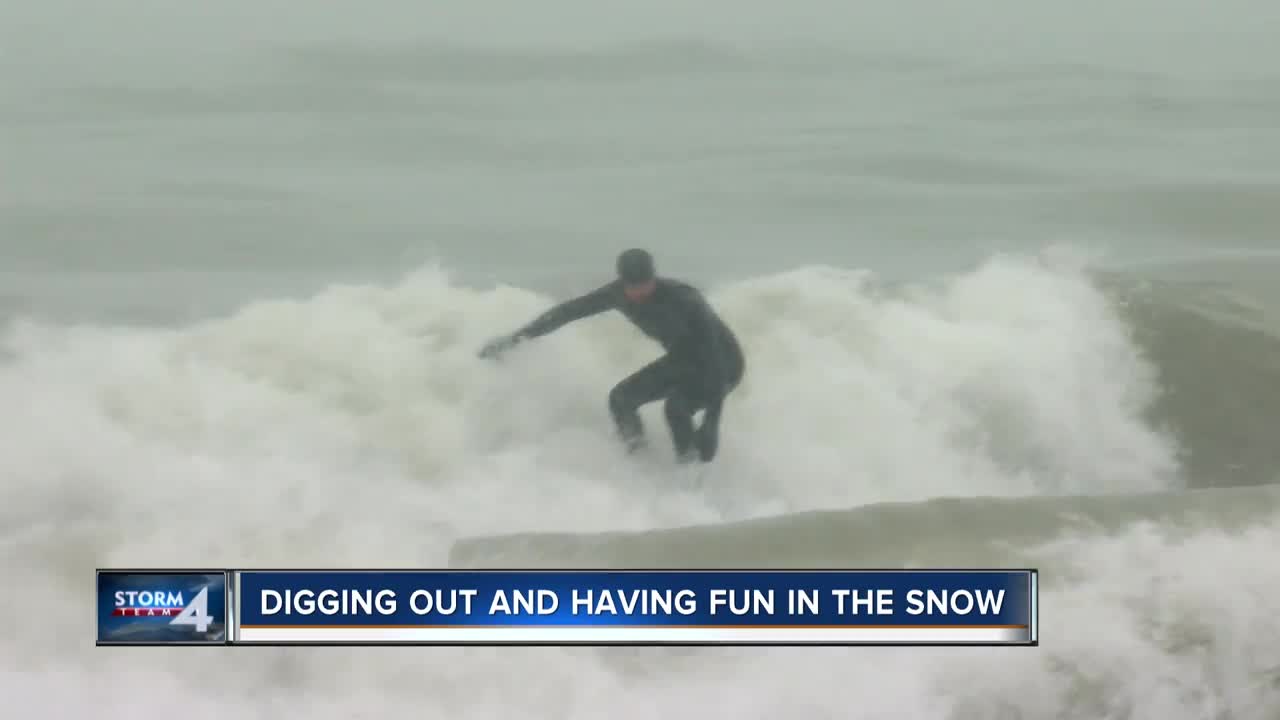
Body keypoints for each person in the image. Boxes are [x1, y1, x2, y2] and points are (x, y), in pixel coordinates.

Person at [478, 249, 745, 463]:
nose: (640, 293)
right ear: (623, 281)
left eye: (645, 285)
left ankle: (690, 476)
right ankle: (640, 460)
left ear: (654, 278)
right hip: (683, 360)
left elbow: (715, 360)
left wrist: (712, 421)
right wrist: (516, 339)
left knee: (676, 408)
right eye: (633, 286)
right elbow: (567, 312)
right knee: (621, 399)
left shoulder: (685, 299)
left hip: (724, 364)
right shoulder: (617, 294)